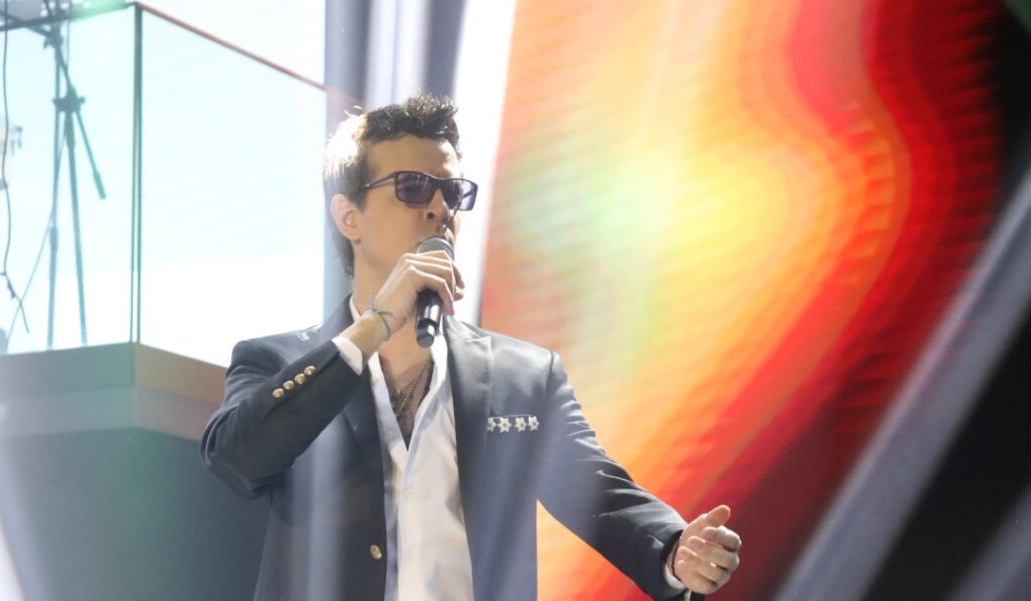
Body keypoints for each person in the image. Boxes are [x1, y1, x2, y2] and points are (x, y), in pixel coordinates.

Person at [200, 93, 742, 601]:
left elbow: (593, 490)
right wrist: (374, 326)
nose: (440, 208)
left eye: (453, 192)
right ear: (349, 216)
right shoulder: (276, 362)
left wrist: (675, 549)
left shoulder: (523, 375)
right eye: (413, 187)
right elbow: (237, 460)